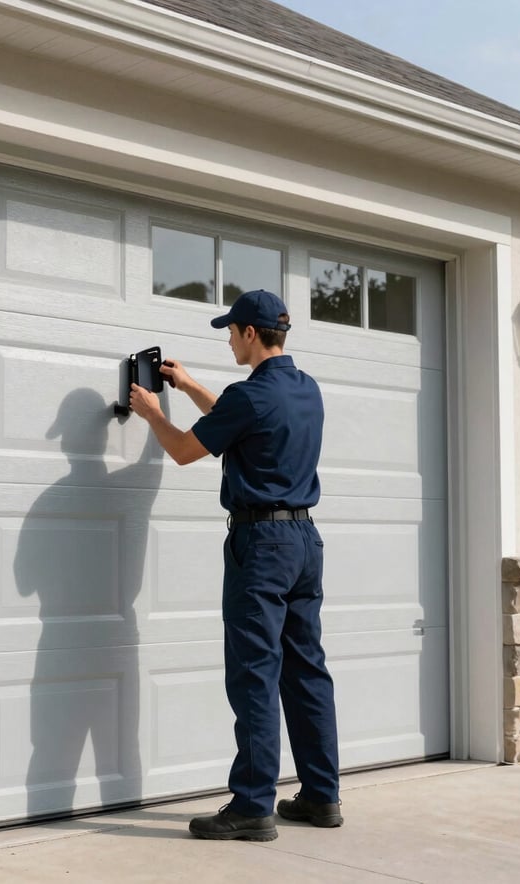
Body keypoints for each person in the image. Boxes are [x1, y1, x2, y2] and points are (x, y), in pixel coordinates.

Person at [129, 288, 341, 841]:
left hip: (262, 547)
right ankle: (321, 796)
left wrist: (152, 412)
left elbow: (183, 450)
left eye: (231, 331)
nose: (228, 339)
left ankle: (251, 806)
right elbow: (241, 422)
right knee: (306, 671)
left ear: (251, 333)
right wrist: (192, 386)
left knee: (254, 674)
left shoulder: (249, 397)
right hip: (304, 544)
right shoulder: (305, 389)